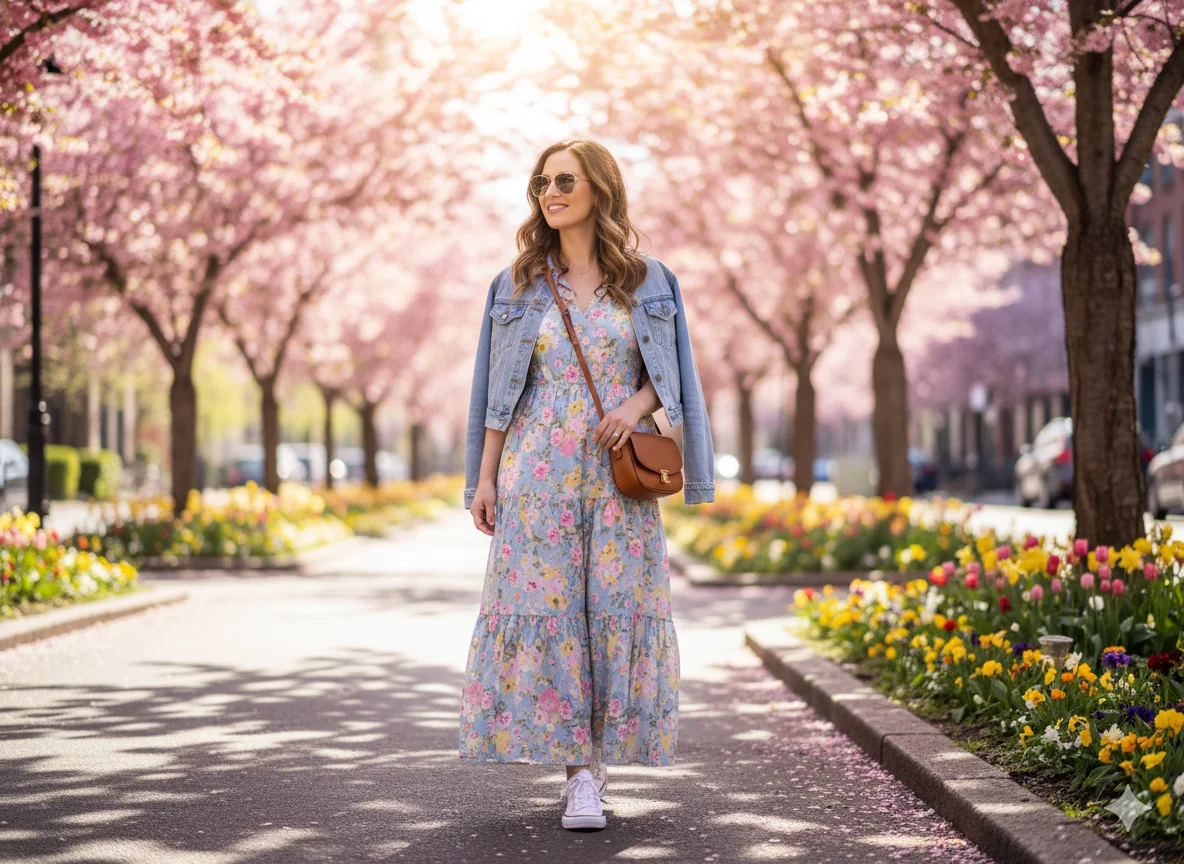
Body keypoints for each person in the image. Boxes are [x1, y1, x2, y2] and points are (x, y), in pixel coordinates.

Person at [458, 138, 715, 831]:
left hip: (616, 479)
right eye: (542, 182)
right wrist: (484, 479)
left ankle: (596, 762)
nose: (551, 192)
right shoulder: (514, 285)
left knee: (611, 613)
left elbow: (676, 379)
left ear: (600, 188)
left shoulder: (650, 281)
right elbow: (493, 393)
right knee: (553, 620)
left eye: (565, 180)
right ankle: (578, 778)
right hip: (537, 474)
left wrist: (636, 408)